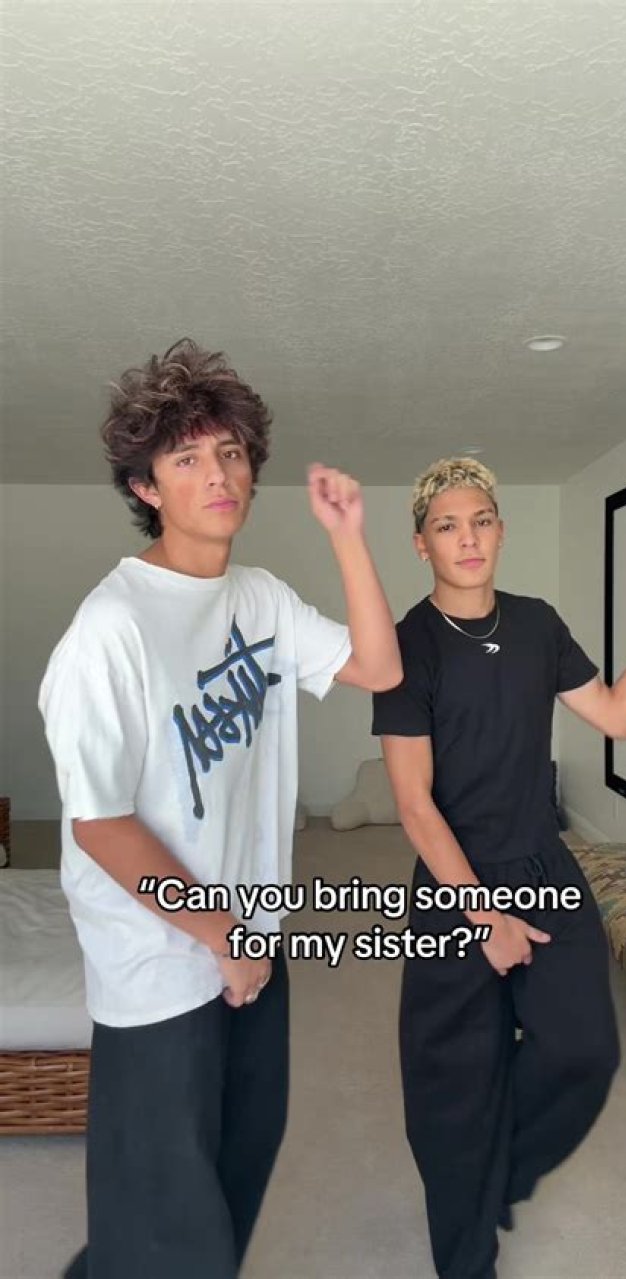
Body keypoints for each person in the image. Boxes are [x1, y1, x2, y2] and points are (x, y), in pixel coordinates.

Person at [39, 338, 402, 1279]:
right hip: (160, 959)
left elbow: (378, 666)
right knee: (165, 1221)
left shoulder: (261, 599)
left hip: (250, 935)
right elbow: (100, 823)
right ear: (146, 485)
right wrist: (222, 934)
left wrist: (348, 536)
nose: (218, 473)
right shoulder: (110, 630)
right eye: (188, 456)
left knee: (239, 1164)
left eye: (232, 452)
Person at [371, 456, 626, 1279]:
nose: (468, 538)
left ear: (500, 530)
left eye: (481, 520)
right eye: (447, 525)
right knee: (452, 1084)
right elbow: (414, 802)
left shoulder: (537, 624)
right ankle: (466, 1254)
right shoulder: (406, 646)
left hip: (543, 866)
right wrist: (482, 914)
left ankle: (499, 1177)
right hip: (455, 880)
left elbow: (617, 715)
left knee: (585, 1049)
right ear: (421, 544)